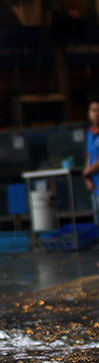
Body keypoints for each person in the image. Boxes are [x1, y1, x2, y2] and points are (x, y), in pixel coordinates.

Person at [83, 97, 99, 268]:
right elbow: (90, 155)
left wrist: (86, 172)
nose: (96, 114)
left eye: (98, 110)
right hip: (95, 184)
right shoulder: (90, 132)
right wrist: (87, 177)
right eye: (93, 110)